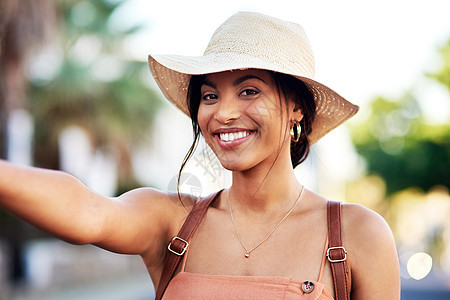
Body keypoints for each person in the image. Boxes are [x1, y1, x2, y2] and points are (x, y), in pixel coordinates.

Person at [0, 11, 400, 299]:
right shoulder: (172, 223)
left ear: (296, 107)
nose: (222, 113)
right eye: (210, 95)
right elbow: (87, 210)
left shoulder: (356, 234)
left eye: (249, 90)